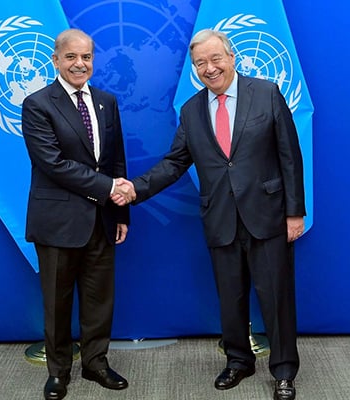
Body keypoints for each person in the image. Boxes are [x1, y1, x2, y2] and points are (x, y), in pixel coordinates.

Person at [112, 29, 306, 400]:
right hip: (220, 218)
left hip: (267, 216)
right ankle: (238, 361)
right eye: (200, 63)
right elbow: (175, 163)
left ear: (232, 58)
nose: (209, 68)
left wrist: (294, 213)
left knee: (276, 298)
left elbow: (289, 157)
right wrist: (136, 188)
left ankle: (283, 370)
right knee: (229, 296)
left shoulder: (266, 93)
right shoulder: (191, 110)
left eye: (215, 59)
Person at [21, 28, 134, 400]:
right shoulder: (38, 104)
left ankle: (96, 363)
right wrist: (107, 189)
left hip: (103, 219)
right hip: (58, 222)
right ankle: (58, 372)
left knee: (100, 297)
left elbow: (116, 160)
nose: (79, 64)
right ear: (55, 60)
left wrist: (121, 212)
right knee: (57, 300)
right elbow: (52, 163)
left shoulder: (106, 101)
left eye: (86, 57)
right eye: (71, 57)